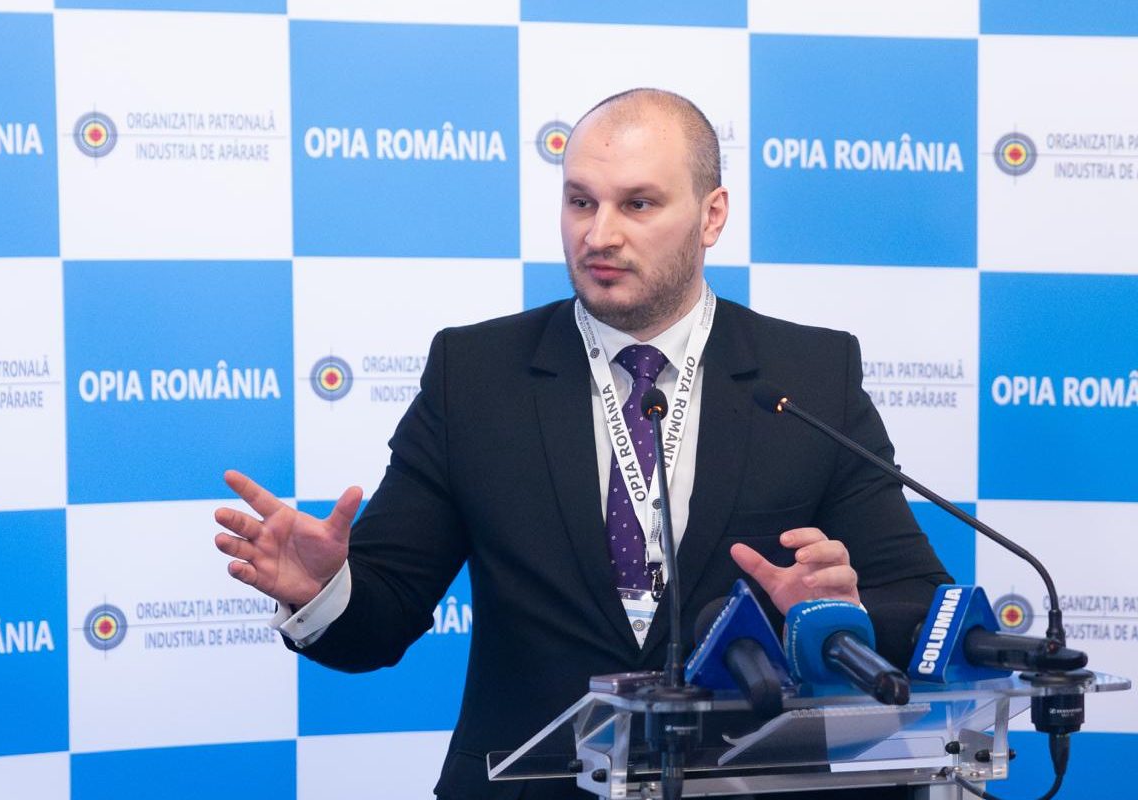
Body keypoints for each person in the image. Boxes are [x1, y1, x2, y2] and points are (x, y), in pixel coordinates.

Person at [214, 88, 950, 799]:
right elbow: (384, 616)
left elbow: (919, 603)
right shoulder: (475, 375)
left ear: (711, 215)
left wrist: (841, 612)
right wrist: (326, 592)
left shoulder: (809, 376)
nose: (599, 235)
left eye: (638, 204)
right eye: (580, 202)